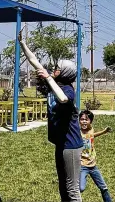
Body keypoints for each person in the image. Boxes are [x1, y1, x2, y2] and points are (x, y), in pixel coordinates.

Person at [19, 33, 84, 202]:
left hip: (71, 145)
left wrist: (48, 78)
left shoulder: (68, 89)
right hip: (60, 143)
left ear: (64, 73)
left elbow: (62, 98)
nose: (54, 69)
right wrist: (22, 43)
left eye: (57, 67)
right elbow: (34, 61)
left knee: (72, 189)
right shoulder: (54, 81)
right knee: (62, 186)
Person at [79, 110, 112, 202]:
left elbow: (92, 136)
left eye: (86, 119)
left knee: (104, 187)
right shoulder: (77, 133)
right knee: (80, 188)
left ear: (91, 122)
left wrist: (104, 131)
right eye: (82, 119)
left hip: (93, 166)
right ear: (79, 121)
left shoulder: (91, 130)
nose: (84, 121)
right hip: (82, 166)